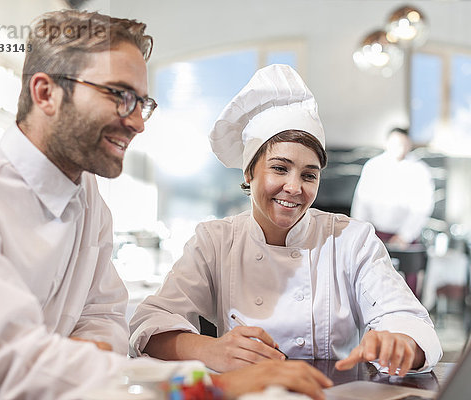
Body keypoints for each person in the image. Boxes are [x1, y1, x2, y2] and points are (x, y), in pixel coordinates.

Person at [0, 11, 330, 400]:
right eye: (120, 96)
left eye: (141, 102)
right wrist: (211, 385)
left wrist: (87, 363)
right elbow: (6, 364)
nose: (137, 122)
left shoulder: (88, 198)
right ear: (46, 93)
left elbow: (102, 315)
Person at [129, 64, 442, 378]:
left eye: (309, 175)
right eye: (280, 168)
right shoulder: (215, 240)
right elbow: (150, 324)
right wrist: (208, 348)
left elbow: (409, 320)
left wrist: (401, 343)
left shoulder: (351, 239)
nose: (295, 187)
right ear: (249, 172)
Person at [350, 127, 435, 248]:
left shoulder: (420, 170)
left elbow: (422, 207)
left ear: (409, 145)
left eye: (403, 143)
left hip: (404, 239)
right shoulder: (373, 166)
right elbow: (361, 201)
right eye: (395, 143)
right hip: (374, 234)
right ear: (387, 143)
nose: (399, 147)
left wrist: (405, 235)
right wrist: (359, 231)